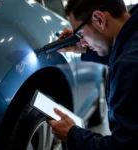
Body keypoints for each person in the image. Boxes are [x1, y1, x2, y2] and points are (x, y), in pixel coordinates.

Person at [48, 0, 138, 149]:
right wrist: (87, 48)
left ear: (99, 19)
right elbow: (124, 50)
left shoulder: (129, 67)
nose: (82, 42)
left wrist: (72, 134)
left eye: (81, 34)